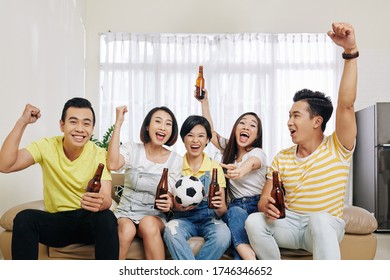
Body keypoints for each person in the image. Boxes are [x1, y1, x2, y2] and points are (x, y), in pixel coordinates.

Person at [245, 22, 358, 260]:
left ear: (317, 121)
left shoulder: (338, 147)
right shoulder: (282, 157)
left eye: (296, 116)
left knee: (319, 219)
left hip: (322, 226)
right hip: (289, 223)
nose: (289, 122)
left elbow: (346, 106)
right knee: (254, 221)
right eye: (289, 116)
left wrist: (350, 52)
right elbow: (265, 198)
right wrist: (266, 207)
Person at [0, 97, 119, 260]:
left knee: (106, 218)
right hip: (56, 223)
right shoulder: (46, 146)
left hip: (87, 222)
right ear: (62, 125)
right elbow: (5, 165)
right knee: (24, 218)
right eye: (73, 122)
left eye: (86, 123)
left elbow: (106, 198)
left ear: (92, 129)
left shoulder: (99, 154)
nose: (80, 129)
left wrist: (99, 201)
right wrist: (22, 122)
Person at [198, 91, 268, 260]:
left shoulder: (258, 152)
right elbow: (211, 133)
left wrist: (239, 171)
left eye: (252, 125)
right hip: (234, 207)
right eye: (242, 123)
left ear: (257, 134)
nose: (246, 127)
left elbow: (251, 163)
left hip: (254, 207)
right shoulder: (229, 149)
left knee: (236, 214)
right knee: (235, 215)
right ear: (235, 129)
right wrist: (204, 102)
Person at [108, 105, 182, 260]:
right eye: (158, 121)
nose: (163, 127)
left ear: (172, 131)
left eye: (168, 124)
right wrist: (118, 123)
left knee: (148, 223)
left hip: (154, 215)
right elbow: (113, 164)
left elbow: (170, 195)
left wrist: (169, 202)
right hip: (125, 213)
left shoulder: (176, 160)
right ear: (147, 126)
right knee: (126, 229)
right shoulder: (132, 148)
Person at [163, 115, 231, 260]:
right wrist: (176, 206)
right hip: (183, 219)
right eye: (190, 135)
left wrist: (219, 207)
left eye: (201, 136)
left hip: (209, 219)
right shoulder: (175, 165)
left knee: (224, 235)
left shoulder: (215, 167)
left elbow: (223, 209)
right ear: (183, 138)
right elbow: (168, 203)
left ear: (207, 140)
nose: (195, 140)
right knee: (170, 231)